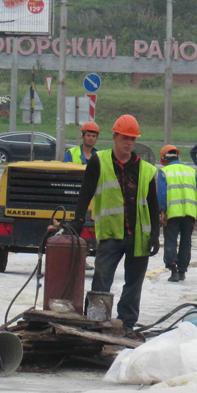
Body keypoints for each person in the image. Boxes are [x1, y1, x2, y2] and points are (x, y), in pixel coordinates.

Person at [71, 114, 160, 335]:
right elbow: (85, 193)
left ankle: (127, 324)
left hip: (138, 236)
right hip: (111, 234)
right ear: (115, 137)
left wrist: (155, 235)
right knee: (102, 279)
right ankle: (96, 322)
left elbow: (152, 204)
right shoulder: (99, 161)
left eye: (133, 139)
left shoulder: (146, 170)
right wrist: (78, 221)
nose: (129, 143)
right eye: (125, 138)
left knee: (134, 284)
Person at [157, 145, 197, 283]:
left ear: (164, 159)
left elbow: (161, 194)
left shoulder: (164, 172)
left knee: (170, 240)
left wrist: (162, 211)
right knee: (186, 242)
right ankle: (182, 271)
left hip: (172, 213)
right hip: (189, 213)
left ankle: (173, 270)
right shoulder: (191, 171)